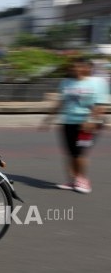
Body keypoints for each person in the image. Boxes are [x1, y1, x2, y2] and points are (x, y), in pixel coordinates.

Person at [41, 57, 109, 193]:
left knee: (80, 153)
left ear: (87, 67)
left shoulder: (98, 83)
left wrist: (91, 121)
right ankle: (73, 180)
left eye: (78, 66)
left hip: (87, 124)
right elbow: (61, 102)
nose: (75, 69)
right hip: (68, 121)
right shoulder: (66, 82)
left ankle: (83, 181)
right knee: (70, 153)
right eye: (73, 67)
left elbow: (101, 105)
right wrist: (49, 118)